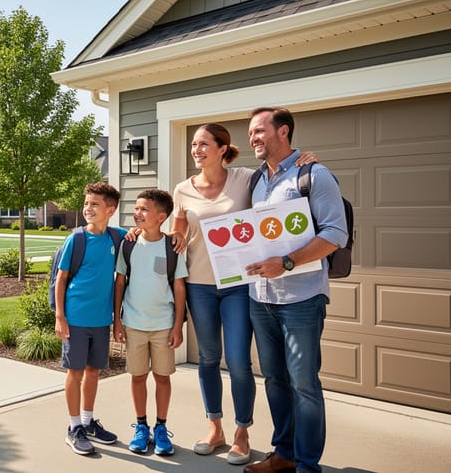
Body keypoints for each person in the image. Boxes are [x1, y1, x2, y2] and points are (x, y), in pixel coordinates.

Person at [172, 123, 318, 466]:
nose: (196, 149)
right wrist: (150, 230)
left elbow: (281, 178)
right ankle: (215, 428)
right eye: (193, 144)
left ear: (222, 148)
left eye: (203, 144)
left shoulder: (245, 178)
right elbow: (177, 230)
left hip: (239, 285)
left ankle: (242, 432)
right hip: (199, 285)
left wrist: (307, 161)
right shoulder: (182, 189)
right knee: (208, 358)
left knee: (238, 360)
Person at [242, 107, 348, 473]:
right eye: (251, 133)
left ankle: (306, 466)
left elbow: (336, 234)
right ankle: (283, 454)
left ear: (283, 131)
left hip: (301, 298)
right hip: (260, 298)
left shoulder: (313, 174)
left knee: (303, 384)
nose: (253, 138)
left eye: (259, 131)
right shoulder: (257, 180)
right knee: (274, 381)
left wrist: (286, 262)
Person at [113, 189, 187, 456]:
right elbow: (120, 282)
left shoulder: (173, 247)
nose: (137, 213)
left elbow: (179, 288)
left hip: (164, 325)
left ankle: (161, 428)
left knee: (163, 377)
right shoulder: (128, 243)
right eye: (136, 208)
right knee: (137, 376)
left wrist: (178, 326)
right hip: (133, 323)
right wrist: (117, 321)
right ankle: (141, 426)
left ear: (161, 216)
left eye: (144, 209)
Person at [54, 182, 126, 456]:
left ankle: (87, 422)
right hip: (75, 318)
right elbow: (61, 280)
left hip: (101, 320)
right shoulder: (77, 239)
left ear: (111, 209)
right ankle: (73, 428)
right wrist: (60, 317)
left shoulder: (117, 237)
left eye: (94, 204)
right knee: (75, 371)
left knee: (94, 371)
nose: (88, 208)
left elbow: (143, 235)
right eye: (86, 204)